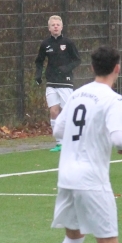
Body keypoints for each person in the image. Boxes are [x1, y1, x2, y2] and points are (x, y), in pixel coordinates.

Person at [48, 44, 122, 243]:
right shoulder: (113, 99)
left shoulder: (78, 94)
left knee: (73, 238)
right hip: (91, 179)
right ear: (117, 68)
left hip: (66, 176)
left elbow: (58, 130)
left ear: (92, 67)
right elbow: (118, 138)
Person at [36, 15, 83, 152]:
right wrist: (38, 75)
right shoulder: (45, 44)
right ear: (49, 28)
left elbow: (77, 60)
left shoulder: (68, 43)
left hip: (65, 82)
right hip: (51, 82)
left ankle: (76, 139)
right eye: (53, 25)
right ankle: (59, 143)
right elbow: (39, 61)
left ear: (61, 27)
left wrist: (66, 69)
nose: (55, 27)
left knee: (68, 112)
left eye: (58, 25)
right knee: (54, 111)